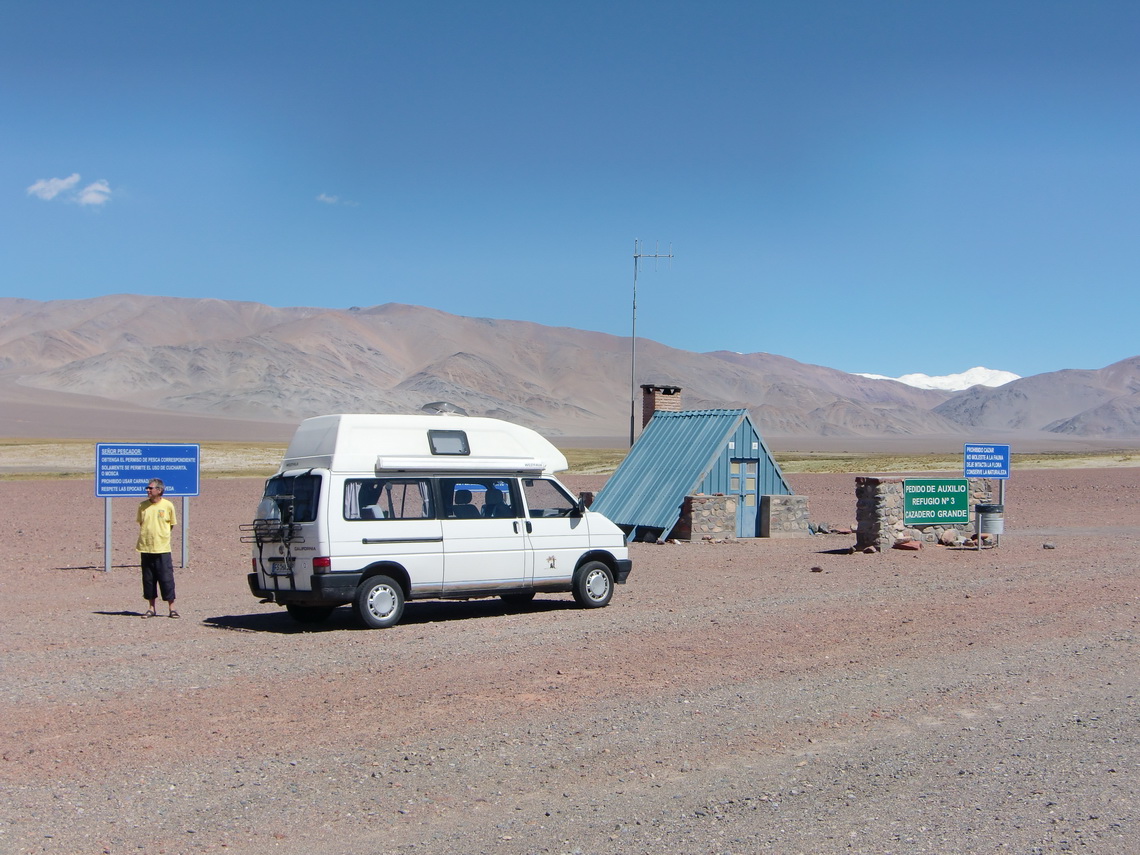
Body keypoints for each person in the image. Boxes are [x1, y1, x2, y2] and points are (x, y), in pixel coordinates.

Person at [137, 478, 179, 618]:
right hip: (146, 548)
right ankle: (151, 608)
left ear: (159, 490)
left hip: (162, 549)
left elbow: (171, 524)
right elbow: (141, 523)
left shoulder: (168, 505)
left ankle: (172, 609)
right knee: (148, 579)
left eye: (150, 488)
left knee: (166, 579)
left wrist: (162, 536)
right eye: (147, 488)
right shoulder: (142, 506)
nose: (148, 490)